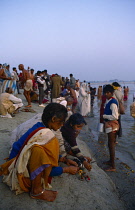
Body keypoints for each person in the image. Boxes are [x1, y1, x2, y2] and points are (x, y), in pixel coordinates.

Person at [0, 103, 79, 202]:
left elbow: (19, 147)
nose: (62, 125)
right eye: (61, 122)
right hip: (18, 171)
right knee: (38, 151)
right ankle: (36, 190)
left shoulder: (39, 127)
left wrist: (63, 159)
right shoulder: (46, 134)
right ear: (54, 119)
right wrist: (66, 170)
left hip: (14, 161)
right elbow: (47, 170)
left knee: (38, 150)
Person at [102, 85, 119, 172]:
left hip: (112, 125)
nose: (106, 94)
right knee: (109, 144)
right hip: (109, 124)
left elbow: (115, 116)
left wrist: (105, 116)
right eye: (105, 93)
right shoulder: (109, 101)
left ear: (112, 93)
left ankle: (113, 166)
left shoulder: (112, 102)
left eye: (108, 93)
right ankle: (110, 161)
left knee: (111, 145)